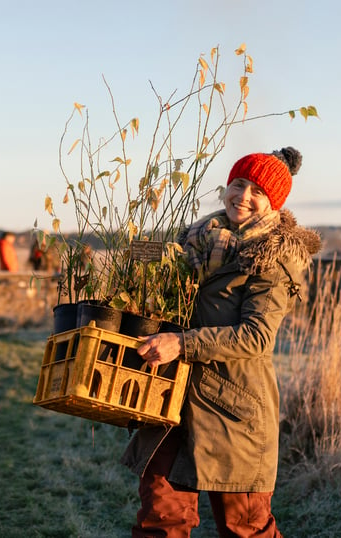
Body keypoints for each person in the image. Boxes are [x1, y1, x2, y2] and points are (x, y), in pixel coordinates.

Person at [121, 146, 321, 537]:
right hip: (171, 399)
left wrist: (180, 344)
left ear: (273, 203)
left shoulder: (275, 258)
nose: (243, 196)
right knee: (160, 521)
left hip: (232, 406)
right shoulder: (195, 241)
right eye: (239, 184)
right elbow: (164, 273)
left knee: (245, 528)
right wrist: (129, 255)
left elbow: (256, 336)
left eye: (257, 192)